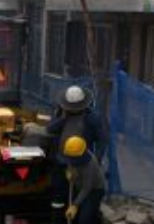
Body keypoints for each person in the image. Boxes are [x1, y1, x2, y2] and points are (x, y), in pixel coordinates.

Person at [46, 85, 108, 213]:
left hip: (81, 163)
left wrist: (97, 159)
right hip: (61, 161)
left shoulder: (92, 118)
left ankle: (78, 218)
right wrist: (62, 119)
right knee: (59, 190)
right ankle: (57, 219)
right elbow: (50, 129)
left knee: (79, 191)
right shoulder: (61, 113)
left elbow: (102, 140)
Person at [62, 135, 106, 224]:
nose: (71, 160)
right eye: (69, 157)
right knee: (84, 216)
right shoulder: (72, 155)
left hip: (94, 190)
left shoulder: (90, 164)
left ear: (81, 154)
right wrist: (69, 173)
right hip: (80, 187)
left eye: (73, 158)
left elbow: (87, 188)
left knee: (84, 219)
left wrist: (75, 205)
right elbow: (70, 166)